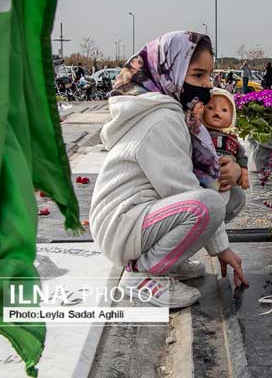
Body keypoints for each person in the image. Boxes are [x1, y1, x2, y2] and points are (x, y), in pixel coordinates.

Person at [90, 31, 248, 309]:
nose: (206, 86)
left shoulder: (173, 110)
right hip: (122, 224)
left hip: (138, 218)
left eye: (209, 77)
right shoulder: (162, 118)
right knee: (208, 205)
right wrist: (222, 249)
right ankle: (142, 276)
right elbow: (185, 190)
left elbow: (200, 181)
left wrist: (234, 170)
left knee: (231, 197)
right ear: (170, 71)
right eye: (197, 76)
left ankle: (168, 261)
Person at [194, 88, 250, 195]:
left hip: (225, 180)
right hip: (203, 179)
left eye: (224, 110)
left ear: (232, 117)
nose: (217, 112)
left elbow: (242, 157)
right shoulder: (201, 131)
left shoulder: (232, 139)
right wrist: (196, 117)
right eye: (210, 108)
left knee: (235, 196)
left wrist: (244, 175)